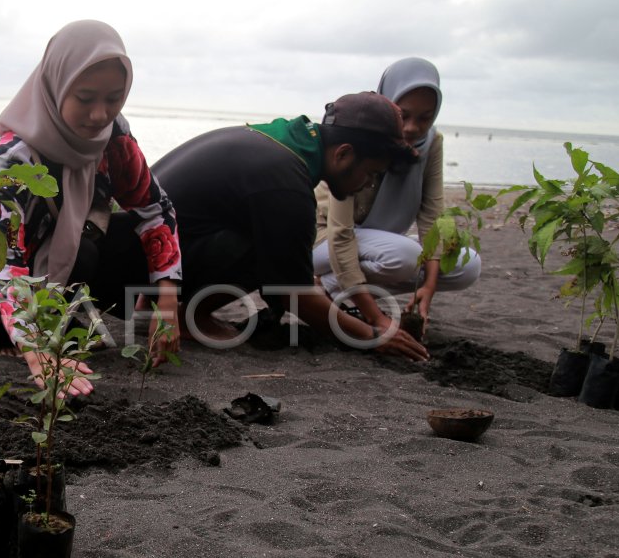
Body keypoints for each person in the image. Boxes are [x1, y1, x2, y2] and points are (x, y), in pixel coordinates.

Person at [0, 20, 183, 396]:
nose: (100, 114)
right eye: (85, 98)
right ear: (56, 86)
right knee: (52, 262)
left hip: (60, 264)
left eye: (114, 97)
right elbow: (4, 259)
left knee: (122, 243)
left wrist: (168, 301)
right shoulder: (14, 156)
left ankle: (62, 323)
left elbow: (154, 208)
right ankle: (17, 337)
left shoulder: (113, 134)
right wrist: (37, 351)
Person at [152, 92, 429, 361]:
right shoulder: (287, 180)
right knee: (268, 246)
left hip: (150, 252)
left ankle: (161, 303)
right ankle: (190, 316)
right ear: (343, 154)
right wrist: (371, 336)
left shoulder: (287, 141)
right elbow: (292, 295)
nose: (368, 184)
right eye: (370, 173)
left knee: (274, 241)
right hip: (144, 261)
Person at [312, 58, 480, 338]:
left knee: (467, 264)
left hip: (376, 241)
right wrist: (375, 318)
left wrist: (428, 289)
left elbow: (431, 214)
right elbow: (341, 233)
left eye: (425, 118)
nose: (413, 127)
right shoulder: (363, 135)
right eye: (404, 115)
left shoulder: (432, 143)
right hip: (322, 239)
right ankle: (328, 287)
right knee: (406, 256)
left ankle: (332, 286)